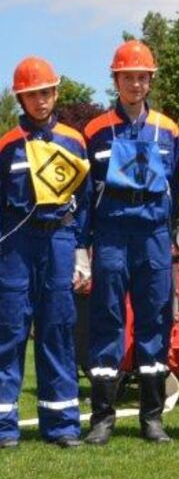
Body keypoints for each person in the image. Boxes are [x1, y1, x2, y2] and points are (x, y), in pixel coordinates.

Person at [84, 40, 179, 445]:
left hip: (153, 238)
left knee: (155, 321)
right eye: (129, 77)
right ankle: (103, 418)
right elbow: (85, 193)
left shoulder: (169, 129)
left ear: (150, 81)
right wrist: (82, 245)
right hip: (111, 236)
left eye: (143, 77)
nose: (136, 84)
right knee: (107, 319)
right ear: (116, 80)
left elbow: (175, 186)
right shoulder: (94, 131)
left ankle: (151, 418)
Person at [0, 56, 91, 448]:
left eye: (47, 92)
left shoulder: (74, 140)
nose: (41, 101)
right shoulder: (6, 145)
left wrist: (81, 249)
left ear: (56, 93)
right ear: (21, 99)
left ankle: (63, 425)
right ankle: (4, 427)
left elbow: (85, 201)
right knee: (10, 330)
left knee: (57, 328)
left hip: (58, 240)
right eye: (33, 95)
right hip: (15, 246)